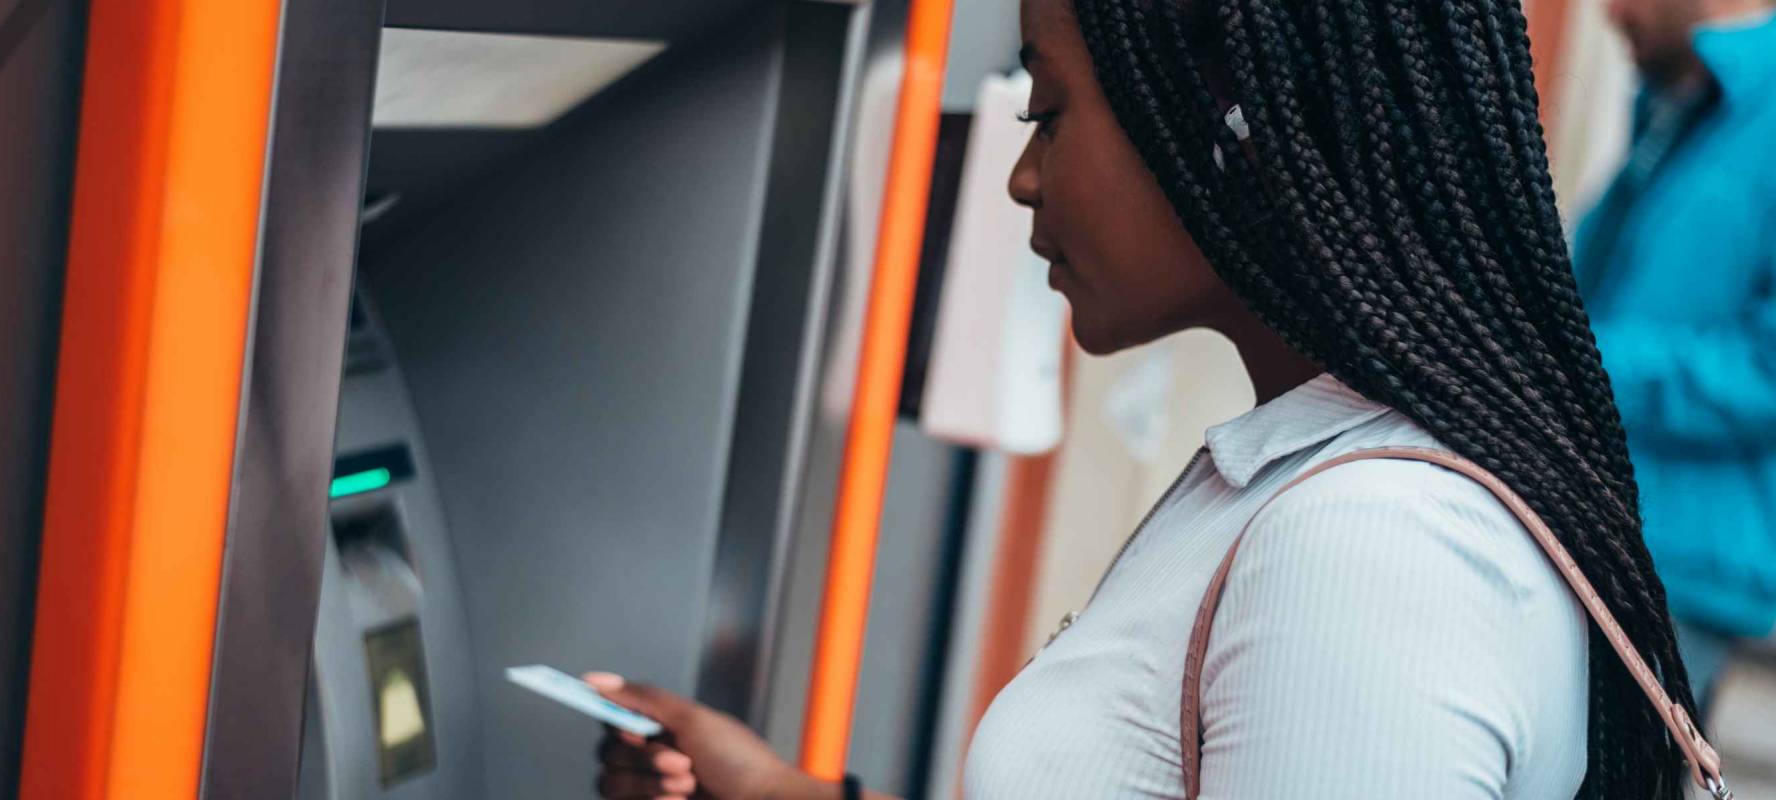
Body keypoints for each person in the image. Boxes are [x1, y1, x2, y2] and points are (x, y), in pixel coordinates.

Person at [586, 0, 1710, 797]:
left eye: (1048, 109)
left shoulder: (1370, 551)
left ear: (1227, 122)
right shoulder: (1317, 478)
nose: (1023, 175)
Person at [1572, 0, 1776, 709]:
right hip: (1601, 538)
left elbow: (1767, 370)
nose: (1609, 12)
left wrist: (1585, 362)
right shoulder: (1671, 102)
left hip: (1674, 573)